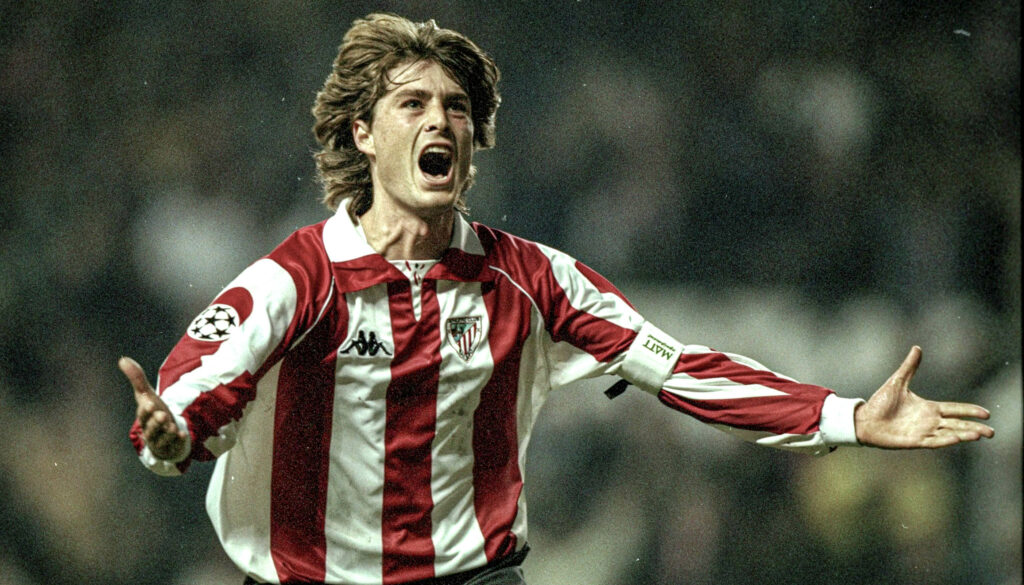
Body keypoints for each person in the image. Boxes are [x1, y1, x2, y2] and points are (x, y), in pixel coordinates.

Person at [121, 13, 995, 585]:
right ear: (363, 132)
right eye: (413, 103)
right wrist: (169, 437)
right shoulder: (294, 281)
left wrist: (841, 416)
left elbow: (677, 366)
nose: (440, 122)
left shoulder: (530, 279)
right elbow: (197, 388)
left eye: (457, 108)